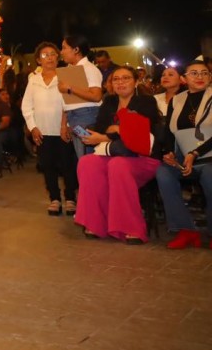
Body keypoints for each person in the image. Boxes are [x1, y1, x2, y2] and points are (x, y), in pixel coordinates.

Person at [75, 67, 167, 244]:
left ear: (136, 81)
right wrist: (110, 131)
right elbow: (102, 127)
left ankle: (130, 227)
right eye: (116, 79)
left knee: (118, 165)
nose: (121, 82)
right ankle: (96, 223)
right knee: (87, 163)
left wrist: (109, 133)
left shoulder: (146, 102)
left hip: (143, 157)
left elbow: (139, 132)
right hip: (115, 153)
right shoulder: (109, 102)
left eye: (126, 78)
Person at [155, 60, 212, 249]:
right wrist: (169, 152)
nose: (200, 77)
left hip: (208, 156)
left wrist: (195, 153)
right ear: (184, 78)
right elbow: (170, 132)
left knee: (210, 175)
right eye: (194, 73)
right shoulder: (177, 100)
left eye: (204, 73)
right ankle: (185, 229)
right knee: (164, 172)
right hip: (185, 157)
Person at [23, 42, 78, 216]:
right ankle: (54, 198)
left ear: (58, 57)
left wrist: (67, 125)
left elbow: (72, 103)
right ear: (38, 60)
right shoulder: (33, 80)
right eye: (45, 55)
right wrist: (33, 128)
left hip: (63, 131)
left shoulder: (67, 76)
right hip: (42, 131)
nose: (50, 58)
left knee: (68, 165)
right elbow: (26, 106)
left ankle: (70, 198)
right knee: (48, 166)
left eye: (53, 54)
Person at [58, 35, 104, 159]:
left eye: (64, 48)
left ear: (76, 50)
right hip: (74, 117)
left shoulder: (89, 69)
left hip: (86, 117)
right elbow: (67, 101)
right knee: (82, 155)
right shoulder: (70, 69)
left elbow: (96, 96)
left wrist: (70, 88)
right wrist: (64, 125)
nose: (61, 52)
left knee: (87, 157)